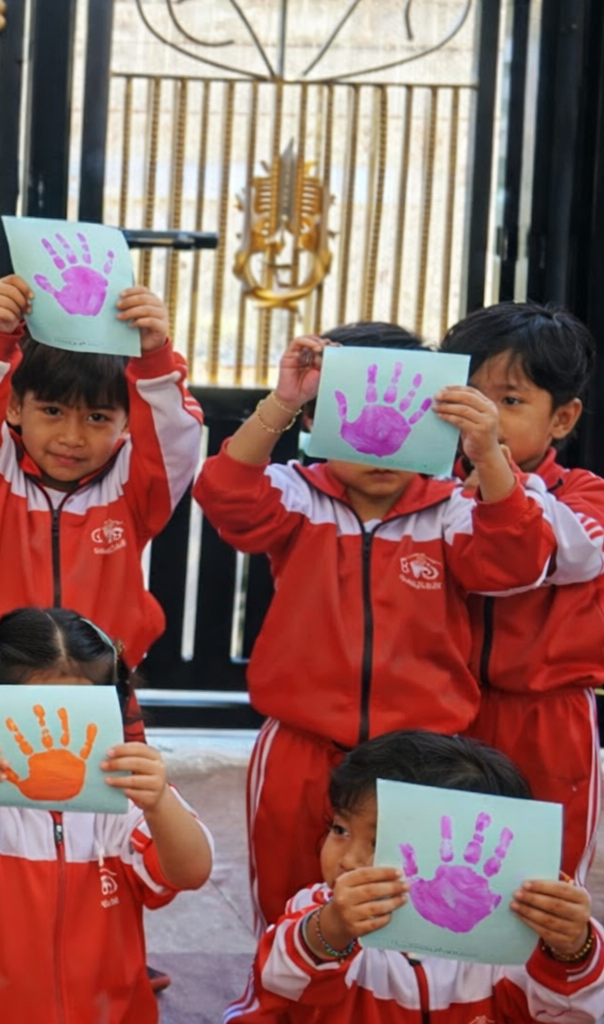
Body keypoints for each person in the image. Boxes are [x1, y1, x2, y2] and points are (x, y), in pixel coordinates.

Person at [190, 326, 563, 933]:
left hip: (420, 758)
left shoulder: (453, 509)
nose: (382, 450)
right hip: (300, 748)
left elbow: (518, 562)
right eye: (357, 422)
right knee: (289, 906)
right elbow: (224, 494)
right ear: (318, 423)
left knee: (405, 920)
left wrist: (490, 455)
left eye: (408, 425)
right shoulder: (297, 495)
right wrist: (283, 401)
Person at [0, 608, 214, 1024]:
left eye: (78, 712)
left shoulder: (128, 802)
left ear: (112, 708)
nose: (54, 729)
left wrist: (160, 803)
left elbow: (192, 872)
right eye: (34, 713)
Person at [226, 730, 604, 1023]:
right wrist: (331, 931)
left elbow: (575, 1015)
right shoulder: (317, 911)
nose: (348, 860)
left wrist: (572, 949)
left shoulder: (512, 940)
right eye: (339, 829)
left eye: (378, 842)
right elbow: (274, 992)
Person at [0, 274, 202, 668]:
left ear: (127, 422)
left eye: (97, 417)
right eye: (53, 411)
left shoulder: (134, 488)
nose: (72, 437)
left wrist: (154, 359)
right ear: (14, 406)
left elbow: (174, 436)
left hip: (102, 683)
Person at [439, 303, 604, 883]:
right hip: (446, 708)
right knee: (439, 870)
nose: (485, 417)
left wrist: (492, 467)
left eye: (510, 401)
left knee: (540, 881)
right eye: (471, 397)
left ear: (563, 418)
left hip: (549, 719)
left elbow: (531, 557)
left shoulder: (586, 497)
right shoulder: (431, 493)